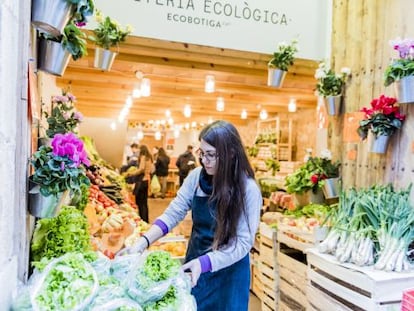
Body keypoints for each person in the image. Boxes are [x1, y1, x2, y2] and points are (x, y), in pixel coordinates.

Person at [119, 120, 262, 311]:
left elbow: (243, 243)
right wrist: (143, 242)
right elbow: (174, 212)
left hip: (229, 275)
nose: (204, 160)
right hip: (195, 267)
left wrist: (205, 263)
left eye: (211, 155)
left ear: (231, 153)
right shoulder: (196, 177)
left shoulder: (248, 190)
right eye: (201, 153)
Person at [134, 145, 153, 223]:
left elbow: (141, 168)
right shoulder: (150, 158)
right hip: (147, 180)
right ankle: (146, 219)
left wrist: (132, 173)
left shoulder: (143, 157)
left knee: (140, 202)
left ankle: (142, 218)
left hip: (142, 181)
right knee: (144, 202)